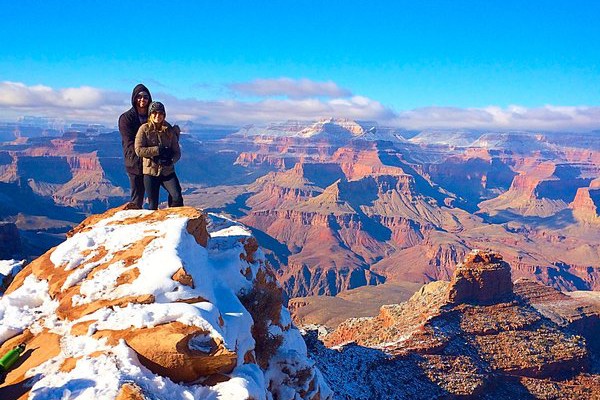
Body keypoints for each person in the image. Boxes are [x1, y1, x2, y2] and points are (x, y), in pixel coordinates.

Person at [134, 101, 184, 210]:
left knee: (177, 196)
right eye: (154, 113)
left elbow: (177, 152)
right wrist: (157, 150)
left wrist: (171, 160)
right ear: (150, 114)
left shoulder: (169, 130)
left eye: (160, 113)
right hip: (150, 172)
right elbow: (139, 150)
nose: (157, 116)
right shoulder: (144, 129)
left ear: (164, 115)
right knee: (153, 204)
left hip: (167, 170)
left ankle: (174, 220)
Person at [118, 84, 152, 209]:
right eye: (139, 96)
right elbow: (129, 142)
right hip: (135, 162)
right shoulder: (126, 118)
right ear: (134, 98)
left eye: (145, 97)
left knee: (153, 197)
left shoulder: (153, 116)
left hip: (151, 163)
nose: (142, 99)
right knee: (137, 198)